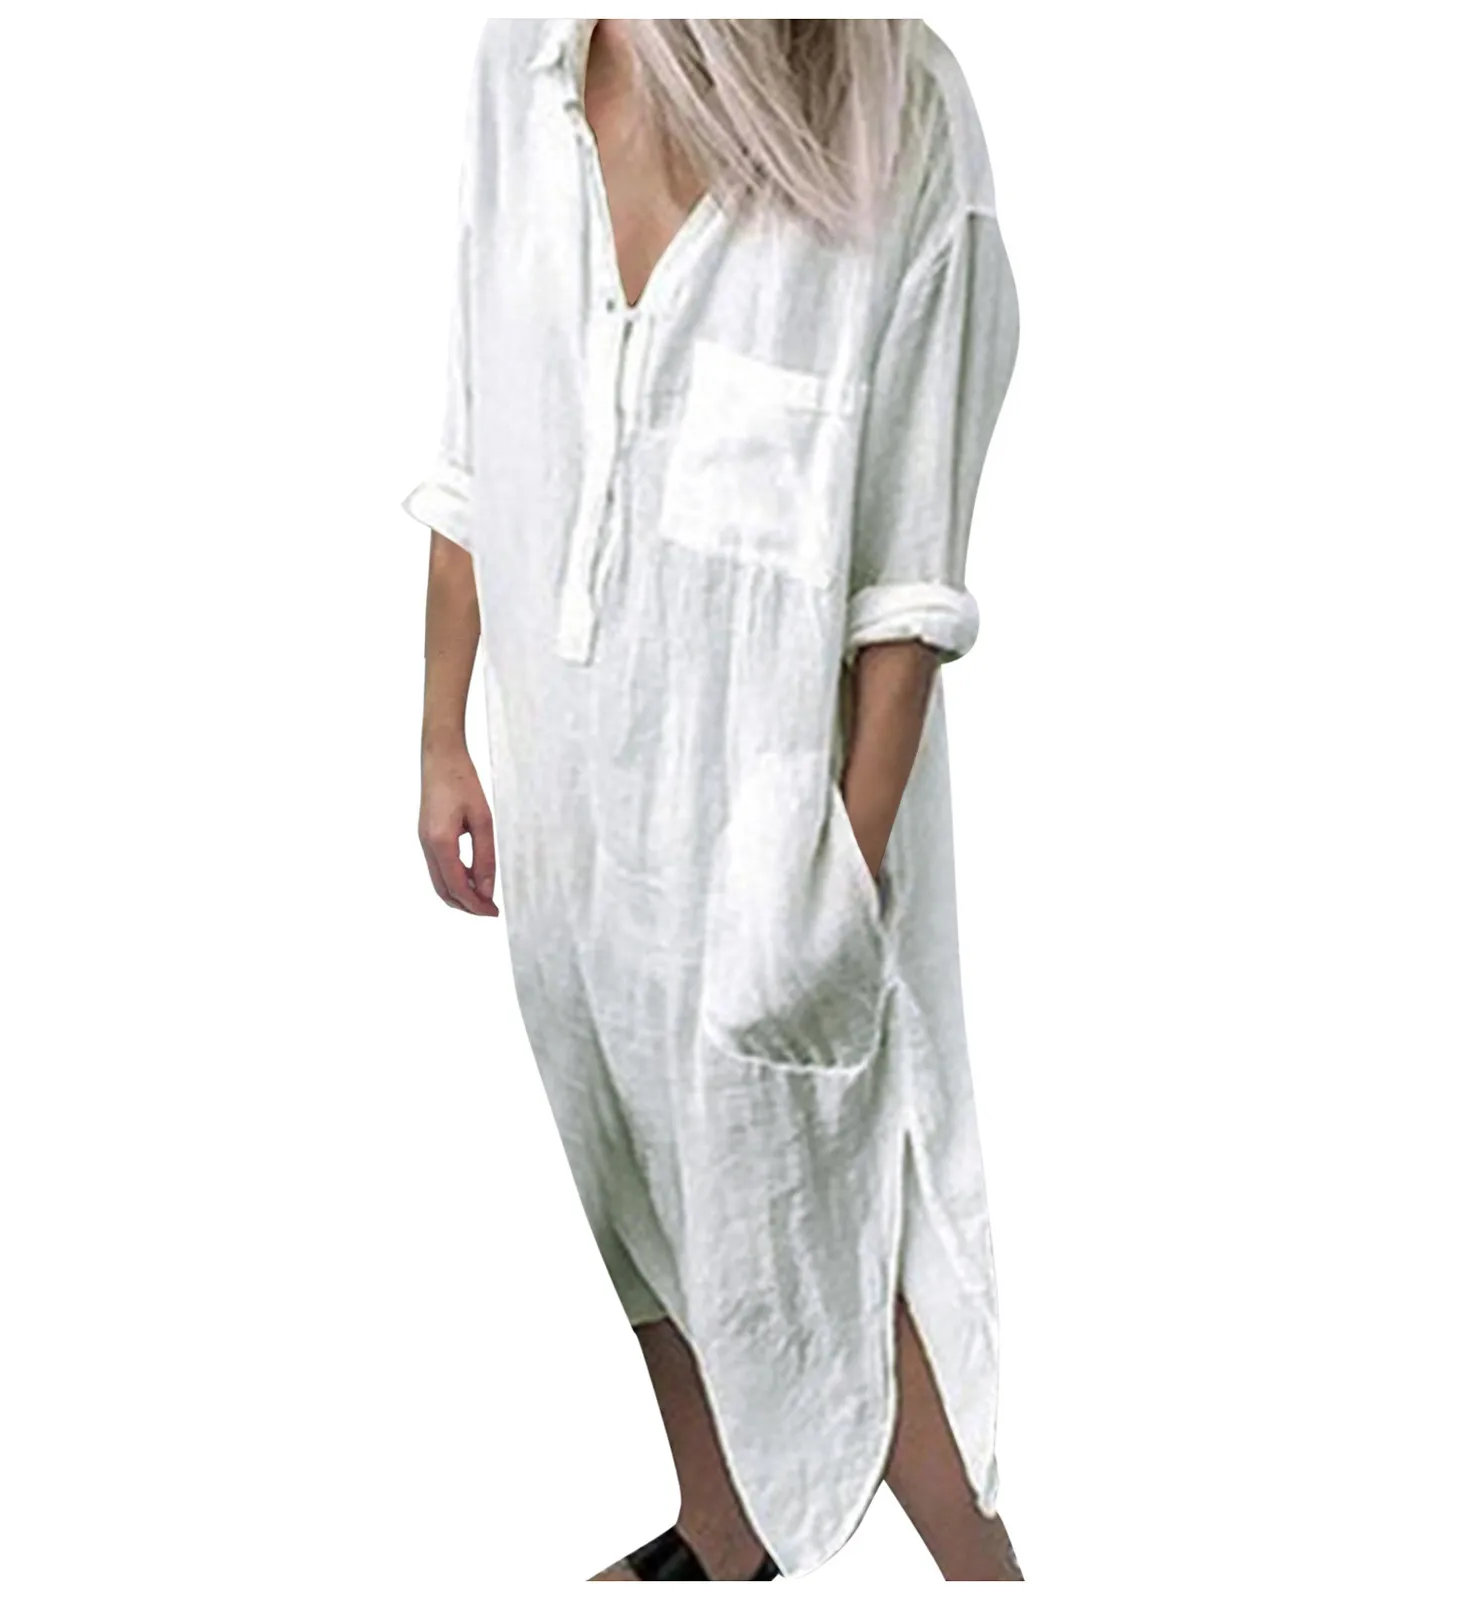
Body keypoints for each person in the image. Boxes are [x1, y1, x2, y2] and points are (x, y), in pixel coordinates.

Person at [403, 19, 1022, 1582]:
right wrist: (441, 736)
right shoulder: (525, 71)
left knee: (821, 1218)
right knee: (628, 1164)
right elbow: (480, 427)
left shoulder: (894, 107)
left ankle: (986, 1573)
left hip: (763, 813)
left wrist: (842, 873)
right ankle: (720, 1525)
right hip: (573, 784)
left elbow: (910, 566)